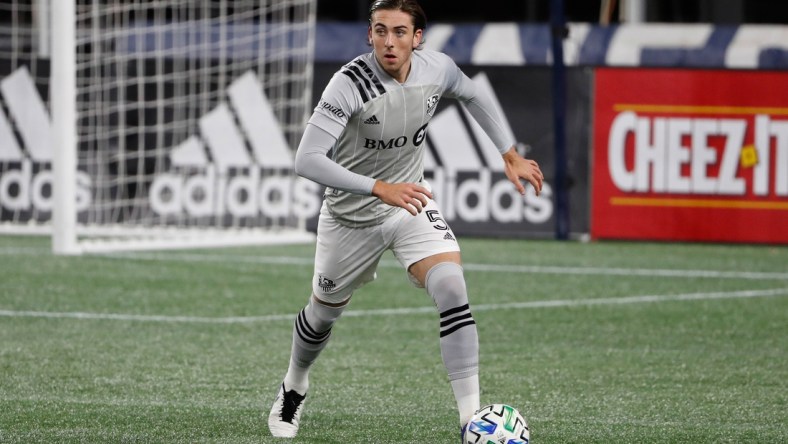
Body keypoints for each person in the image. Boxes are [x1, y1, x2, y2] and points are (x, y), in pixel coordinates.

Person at [267, 0, 543, 439]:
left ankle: (471, 422)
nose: (388, 42)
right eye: (379, 31)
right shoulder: (349, 83)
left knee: (452, 286)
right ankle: (294, 385)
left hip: (410, 203)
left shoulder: (438, 68)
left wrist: (508, 153)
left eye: (399, 32)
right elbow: (307, 160)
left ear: (418, 38)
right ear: (369, 35)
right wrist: (379, 187)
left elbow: (473, 93)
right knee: (321, 316)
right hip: (349, 218)